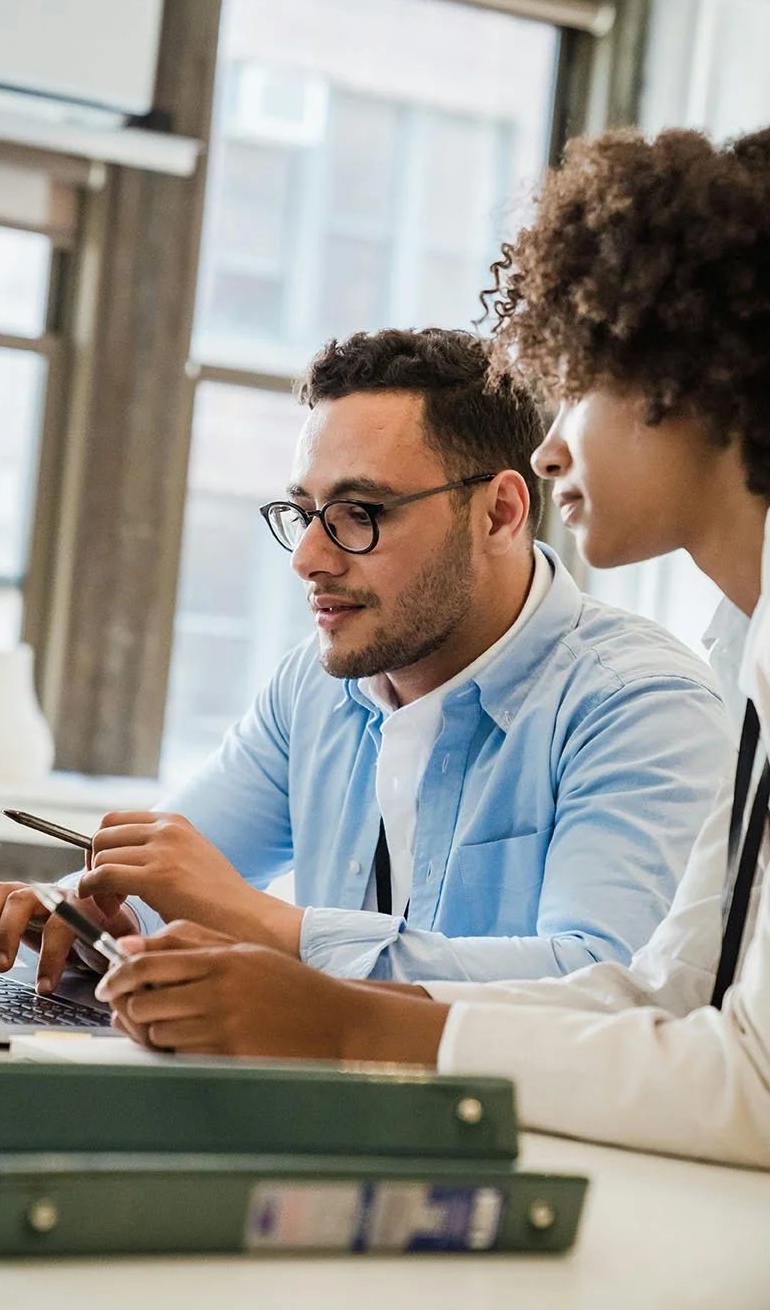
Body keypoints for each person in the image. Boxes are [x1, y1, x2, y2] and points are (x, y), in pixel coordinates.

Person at [95, 124, 770, 1171]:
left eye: (580, 384)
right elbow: (650, 996)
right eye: (304, 514)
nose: (550, 449)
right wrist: (94, 914)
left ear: (693, 382)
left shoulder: (652, 694)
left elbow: (751, 1080)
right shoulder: (748, 647)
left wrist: (340, 1013)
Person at [0, 329, 727, 994]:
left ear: (500, 512)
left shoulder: (641, 702)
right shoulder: (316, 686)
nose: (308, 558)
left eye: (360, 514)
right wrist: (72, 911)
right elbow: (170, 879)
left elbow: (606, 984)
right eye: (303, 514)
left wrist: (261, 922)